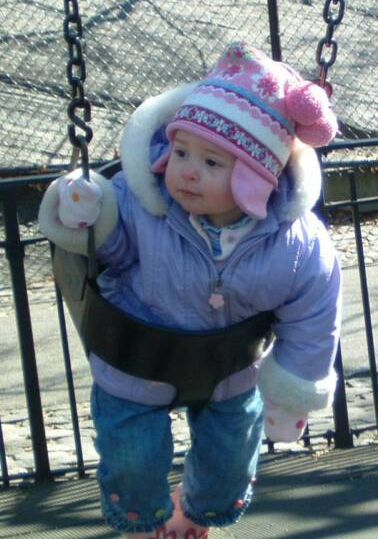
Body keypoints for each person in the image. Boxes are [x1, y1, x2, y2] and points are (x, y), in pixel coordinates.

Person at [39, 41, 341, 539]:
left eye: (211, 162)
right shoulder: (141, 203)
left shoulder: (296, 244)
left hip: (229, 371)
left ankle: (198, 510)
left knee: (230, 465)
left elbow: (314, 315)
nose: (187, 171)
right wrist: (83, 210)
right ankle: (140, 521)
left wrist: (295, 388)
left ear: (256, 177)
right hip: (135, 364)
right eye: (180, 152)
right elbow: (106, 240)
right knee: (131, 460)